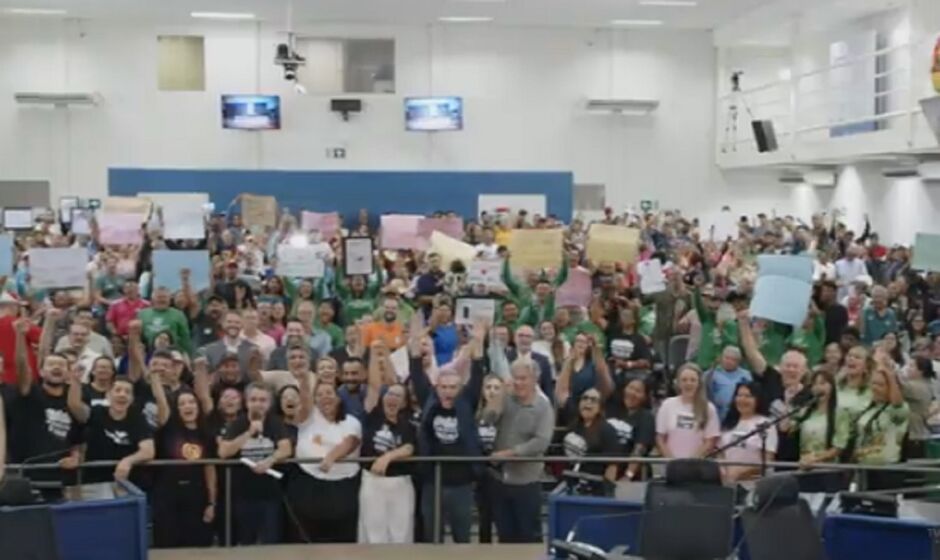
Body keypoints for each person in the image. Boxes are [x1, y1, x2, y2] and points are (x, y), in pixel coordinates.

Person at [411, 323, 486, 544]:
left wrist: (478, 341)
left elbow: (478, 373)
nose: (448, 391)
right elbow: (416, 371)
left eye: (453, 387)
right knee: (432, 537)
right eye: (443, 387)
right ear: (437, 387)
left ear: (460, 388)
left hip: (461, 483)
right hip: (432, 482)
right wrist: (415, 341)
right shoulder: (428, 400)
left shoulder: (467, 402)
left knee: (462, 537)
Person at [287, 375, 362, 543]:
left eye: (329, 393)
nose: (324, 397)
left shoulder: (351, 421)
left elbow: (350, 442)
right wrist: (304, 378)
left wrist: (331, 457)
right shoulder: (307, 418)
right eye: (319, 394)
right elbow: (304, 402)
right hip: (309, 484)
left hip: (342, 487)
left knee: (340, 538)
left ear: (338, 398)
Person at [218, 383, 292, 545]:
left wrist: (270, 460)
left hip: (270, 493)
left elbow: (286, 448)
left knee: (271, 541)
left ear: (269, 403)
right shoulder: (238, 424)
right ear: (246, 403)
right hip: (243, 494)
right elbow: (223, 452)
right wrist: (249, 433)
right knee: (246, 542)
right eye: (253, 399)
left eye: (263, 400)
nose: (258, 404)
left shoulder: (275, 422)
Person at [491, 358, 555, 543]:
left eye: (523, 378)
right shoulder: (507, 399)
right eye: (515, 378)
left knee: (528, 535)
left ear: (535, 379)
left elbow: (541, 442)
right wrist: (500, 395)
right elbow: (487, 418)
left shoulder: (543, 406)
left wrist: (510, 453)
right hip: (500, 480)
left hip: (526, 482)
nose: (518, 383)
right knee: (505, 535)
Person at [357, 352, 416, 544]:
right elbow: (374, 385)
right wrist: (375, 352)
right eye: (390, 394)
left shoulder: (408, 424)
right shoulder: (373, 415)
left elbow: (409, 447)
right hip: (373, 480)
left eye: (398, 396)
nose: (393, 398)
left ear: (404, 403)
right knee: (374, 533)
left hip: (400, 482)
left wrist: (387, 457)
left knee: (401, 533)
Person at [65, 373, 155, 484]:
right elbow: (74, 405)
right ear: (108, 395)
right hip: (95, 481)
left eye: (127, 392)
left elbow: (148, 451)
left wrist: (128, 461)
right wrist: (76, 382)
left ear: (132, 399)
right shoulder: (97, 412)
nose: (122, 395)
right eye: (118, 390)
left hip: (127, 482)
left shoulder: (137, 418)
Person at [852, 364, 909, 490]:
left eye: (881, 385)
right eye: (873, 383)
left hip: (887, 469)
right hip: (864, 467)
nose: (875, 388)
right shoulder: (868, 408)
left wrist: (890, 376)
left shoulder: (898, 410)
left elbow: (897, 404)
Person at [562, 387, 620, 495]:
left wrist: (607, 491)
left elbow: (612, 465)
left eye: (593, 400)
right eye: (585, 398)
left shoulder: (608, 430)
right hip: (571, 484)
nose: (588, 402)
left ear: (600, 407)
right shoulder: (573, 427)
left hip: (596, 487)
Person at [656, 363, 720, 459]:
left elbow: (710, 441)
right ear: (678, 383)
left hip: (697, 464)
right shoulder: (667, 404)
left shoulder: (709, 408)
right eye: (684, 380)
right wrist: (671, 460)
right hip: (671, 463)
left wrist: (691, 462)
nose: (688, 383)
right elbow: (660, 438)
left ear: (699, 383)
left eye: (693, 380)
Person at [718, 382, 777, 483]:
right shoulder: (729, 423)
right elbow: (720, 452)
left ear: (757, 400)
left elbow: (768, 459)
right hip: (727, 482)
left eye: (748, 396)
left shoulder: (765, 424)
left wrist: (741, 473)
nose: (742, 399)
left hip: (754, 483)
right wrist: (724, 472)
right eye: (739, 395)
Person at [555, 333, 614, 423]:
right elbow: (560, 390)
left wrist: (596, 349)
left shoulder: (593, 364)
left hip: (591, 404)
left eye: (584, 341)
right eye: (578, 341)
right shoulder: (568, 363)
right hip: (571, 407)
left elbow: (607, 385)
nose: (581, 343)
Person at [474, 373, 505, 543]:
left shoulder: (507, 414)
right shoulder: (475, 415)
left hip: (503, 472)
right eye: (488, 387)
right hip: (482, 473)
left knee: (503, 520)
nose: (492, 391)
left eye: (496, 388)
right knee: (484, 519)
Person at [606, 378, 655, 481]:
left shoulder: (646, 417)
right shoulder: (612, 410)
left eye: (638, 391)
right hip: (606, 471)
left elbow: (639, 449)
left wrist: (628, 475)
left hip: (630, 477)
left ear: (645, 397)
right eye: (631, 388)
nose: (632, 393)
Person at [900, 357, 935, 460]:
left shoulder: (915, 386)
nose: (908, 368)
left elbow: (897, 388)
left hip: (914, 436)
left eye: (912, 366)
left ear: (921, 371)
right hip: (921, 435)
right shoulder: (928, 384)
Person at [705, 346, 752, 422]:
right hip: (715, 413)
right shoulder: (711, 374)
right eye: (727, 358)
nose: (729, 362)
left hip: (738, 413)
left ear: (738, 362)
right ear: (721, 358)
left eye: (733, 360)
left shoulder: (746, 375)